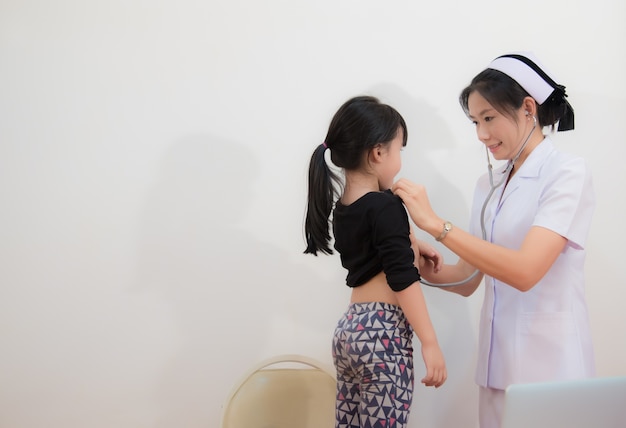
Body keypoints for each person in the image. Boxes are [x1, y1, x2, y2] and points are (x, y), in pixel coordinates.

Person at [392, 53, 595, 428]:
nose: (482, 135)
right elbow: (469, 279)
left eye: (489, 118)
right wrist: (414, 263)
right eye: (475, 122)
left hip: (550, 366)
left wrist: (438, 226)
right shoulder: (489, 184)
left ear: (528, 108)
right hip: (495, 366)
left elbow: (526, 271)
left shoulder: (566, 174)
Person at [304, 95, 447, 428]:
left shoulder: (344, 207)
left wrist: (412, 243)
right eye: (399, 151)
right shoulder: (386, 206)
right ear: (378, 153)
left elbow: (375, 252)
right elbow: (402, 278)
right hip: (382, 333)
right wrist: (430, 342)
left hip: (350, 331)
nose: (399, 163)